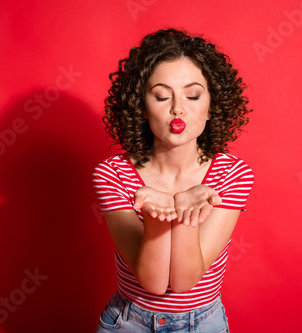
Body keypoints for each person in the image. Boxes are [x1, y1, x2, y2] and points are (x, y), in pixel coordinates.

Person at [93, 28, 254, 332]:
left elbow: (183, 282)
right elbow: (153, 283)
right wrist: (156, 217)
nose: (177, 108)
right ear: (141, 107)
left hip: (204, 323)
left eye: (192, 95)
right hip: (128, 322)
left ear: (211, 108)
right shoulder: (112, 173)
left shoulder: (232, 174)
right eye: (162, 96)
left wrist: (183, 215)